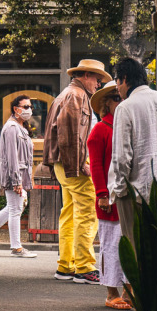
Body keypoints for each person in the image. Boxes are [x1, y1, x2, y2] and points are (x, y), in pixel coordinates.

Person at [44, 58, 110, 284]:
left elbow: (66, 134)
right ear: (85, 75)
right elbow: (70, 134)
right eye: (97, 79)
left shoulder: (67, 94)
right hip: (75, 163)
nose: (99, 84)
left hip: (66, 163)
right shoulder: (77, 96)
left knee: (70, 213)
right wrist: (81, 164)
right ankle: (84, 267)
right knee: (86, 214)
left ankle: (66, 265)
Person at [107, 57, 157, 248]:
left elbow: (121, 157)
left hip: (134, 193)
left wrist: (118, 190)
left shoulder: (125, 107)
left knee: (136, 250)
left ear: (124, 78)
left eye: (117, 81)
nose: (117, 87)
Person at [87, 80, 132, 309]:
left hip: (126, 196)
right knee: (110, 246)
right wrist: (102, 194)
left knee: (129, 244)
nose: (120, 101)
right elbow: (95, 166)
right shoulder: (100, 130)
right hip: (108, 200)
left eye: (121, 97)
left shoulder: (126, 126)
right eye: (116, 98)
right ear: (106, 104)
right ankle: (111, 293)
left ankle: (128, 292)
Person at [0, 95, 38, 257]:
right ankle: (16, 248)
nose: (29, 110)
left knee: (11, 209)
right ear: (16, 109)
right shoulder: (12, 128)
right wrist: (17, 182)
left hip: (18, 175)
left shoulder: (20, 127)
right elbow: (12, 157)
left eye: (30, 107)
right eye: (26, 107)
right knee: (15, 209)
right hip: (13, 175)